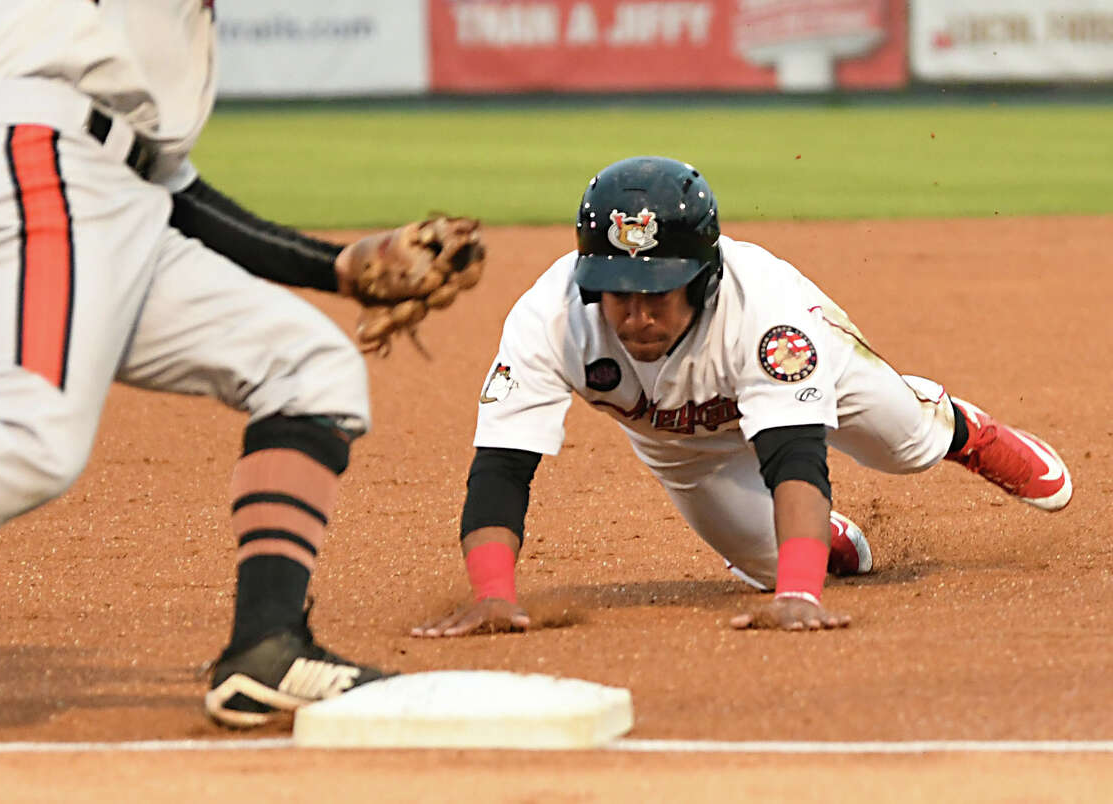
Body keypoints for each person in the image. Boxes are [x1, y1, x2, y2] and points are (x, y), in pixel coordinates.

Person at [0, 1, 483, 729]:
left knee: (309, 365)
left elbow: (168, 190)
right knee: (24, 449)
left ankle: (265, 650)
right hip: (35, 156)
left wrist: (338, 268)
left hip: (94, 182)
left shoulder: (129, 46)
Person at [412, 155, 1071, 638]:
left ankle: (961, 428)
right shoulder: (548, 318)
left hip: (822, 376)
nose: (636, 315)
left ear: (703, 278)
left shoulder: (769, 314)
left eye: (657, 292)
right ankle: (825, 538)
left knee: (906, 448)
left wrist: (800, 598)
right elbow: (502, 462)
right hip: (679, 446)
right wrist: (493, 595)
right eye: (617, 291)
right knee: (775, 566)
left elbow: (795, 455)